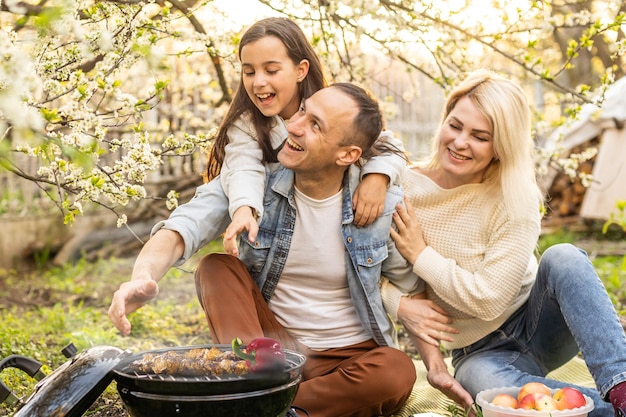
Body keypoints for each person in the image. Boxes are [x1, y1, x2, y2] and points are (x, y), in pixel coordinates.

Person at [110, 83, 422, 417]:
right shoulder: (254, 186)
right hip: (270, 353)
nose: (294, 126)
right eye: (303, 111)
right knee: (217, 268)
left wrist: (418, 262)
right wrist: (141, 277)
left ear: (347, 155)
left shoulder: (380, 204)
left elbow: (411, 288)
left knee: (397, 370)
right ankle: (267, 395)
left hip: (350, 357)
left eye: (315, 125)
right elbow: (184, 226)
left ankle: (256, 404)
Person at [381, 68, 626, 417]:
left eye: (480, 136)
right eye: (455, 125)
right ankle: (607, 410)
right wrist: (398, 303)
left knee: (564, 257)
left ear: (500, 146)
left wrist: (421, 254)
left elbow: (488, 301)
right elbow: (367, 269)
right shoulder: (403, 190)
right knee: (480, 385)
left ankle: (621, 386)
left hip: (541, 319)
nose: (460, 142)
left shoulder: (516, 195)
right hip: (477, 351)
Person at [205, 17, 406, 256]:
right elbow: (243, 168)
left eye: (271, 70)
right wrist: (244, 208)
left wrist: (377, 177)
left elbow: (386, 144)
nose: (258, 82)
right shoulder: (246, 125)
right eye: (248, 71)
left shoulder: (327, 107)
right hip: (279, 233)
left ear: (301, 70)